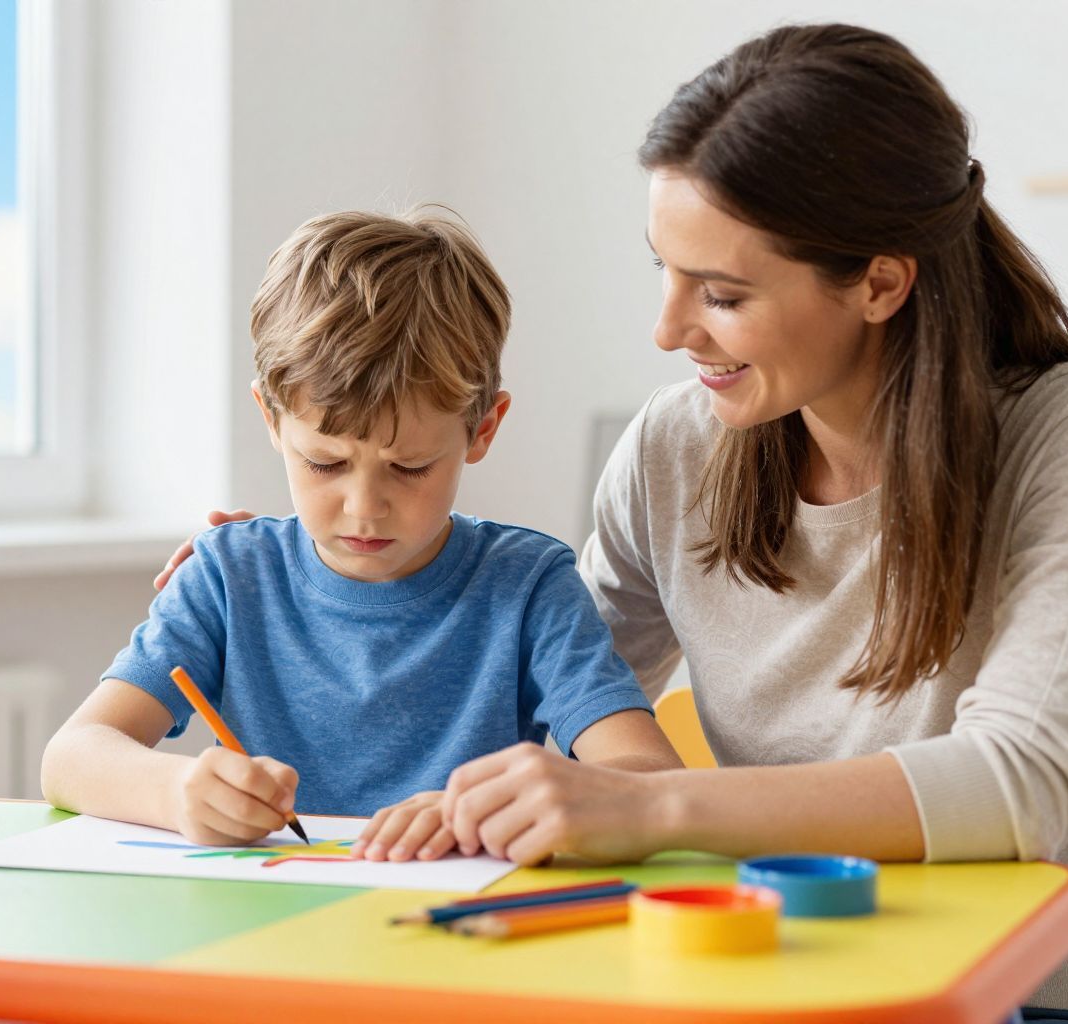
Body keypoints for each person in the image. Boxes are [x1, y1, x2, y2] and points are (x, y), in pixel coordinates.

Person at [155, 25, 1068, 1019]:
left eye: (723, 294)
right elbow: (546, 691)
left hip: (1008, 994)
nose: (668, 330)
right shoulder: (676, 447)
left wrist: (655, 806)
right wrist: (312, 578)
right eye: (666, 270)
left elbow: (1021, 781)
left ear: (879, 281)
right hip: (751, 972)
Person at [41, 208, 681, 854]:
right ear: (271, 418)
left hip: (451, 911)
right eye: (325, 463)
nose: (364, 507)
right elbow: (70, 758)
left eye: (410, 467)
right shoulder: (227, 577)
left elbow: (649, 776)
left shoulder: (529, 585)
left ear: (483, 428)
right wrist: (179, 792)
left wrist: (484, 808)